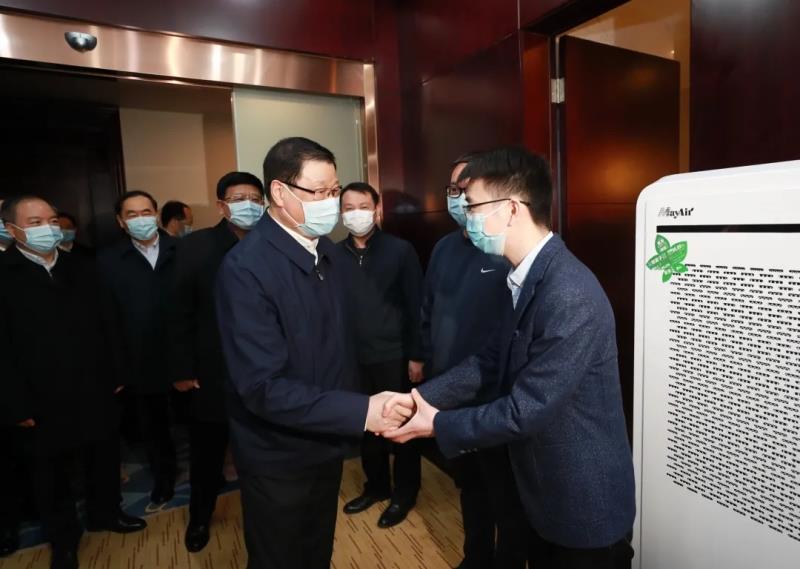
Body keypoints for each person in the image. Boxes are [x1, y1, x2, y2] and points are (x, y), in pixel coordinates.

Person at [385, 146, 636, 569]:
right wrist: (423, 399)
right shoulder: (524, 274)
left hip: (580, 501)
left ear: (512, 209)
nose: (466, 215)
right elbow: (491, 357)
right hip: (540, 485)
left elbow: (527, 410)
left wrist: (437, 424)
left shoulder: (568, 293)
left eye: (473, 205)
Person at [215, 137, 411, 569]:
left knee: (316, 549)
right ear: (279, 192)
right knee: (280, 557)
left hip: (324, 441)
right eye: (318, 192)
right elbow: (263, 387)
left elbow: (337, 345)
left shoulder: (325, 250)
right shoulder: (246, 268)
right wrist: (361, 411)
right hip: (278, 454)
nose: (331, 203)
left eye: (333, 190)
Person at [0, 196, 146, 569]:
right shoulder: (4, 274)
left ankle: (106, 513)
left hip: (94, 384)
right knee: (50, 473)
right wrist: (14, 402)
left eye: (52, 220)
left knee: (103, 456)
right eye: (35, 222)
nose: (49, 228)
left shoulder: (83, 266)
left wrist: (118, 372)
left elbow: (110, 321)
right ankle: (63, 539)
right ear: (12, 229)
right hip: (39, 394)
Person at [418, 154, 529, 568]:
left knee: (506, 495)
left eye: (469, 188)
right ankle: (475, 557)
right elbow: (428, 308)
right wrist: (425, 363)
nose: (461, 196)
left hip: (497, 396)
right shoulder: (444, 248)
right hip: (453, 390)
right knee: (470, 487)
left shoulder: (506, 249)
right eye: (454, 188)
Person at [168, 171, 266, 552]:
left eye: (255, 199)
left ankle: (264, 516)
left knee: (262, 452)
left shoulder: (272, 243)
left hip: (264, 371)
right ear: (222, 206)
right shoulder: (196, 248)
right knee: (207, 453)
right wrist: (182, 368)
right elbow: (178, 312)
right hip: (213, 370)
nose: (248, 206)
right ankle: (199, 518)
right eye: (239, 199)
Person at [338, 182, 424, 528]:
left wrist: (417, 356)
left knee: (401, 427)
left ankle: (405, 492)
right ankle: (376, 487)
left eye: (363, 206)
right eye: (348, 208)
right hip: (353, 360)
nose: (355, 213)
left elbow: (416, 306)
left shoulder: (400, 251)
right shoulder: (332, 254)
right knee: (365, 427)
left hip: (394, 355)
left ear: (376, 210)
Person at [98, 190, 179, 506]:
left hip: (183, 354)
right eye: (132, 215)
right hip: (139, 357)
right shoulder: (107, 261)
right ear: (121, 221)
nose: (141, 219)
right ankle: (164, 479)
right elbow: (107, 317)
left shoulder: (181, 250)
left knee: (197, 422)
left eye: (146, 212)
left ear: (156, 214)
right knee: (154, 427)